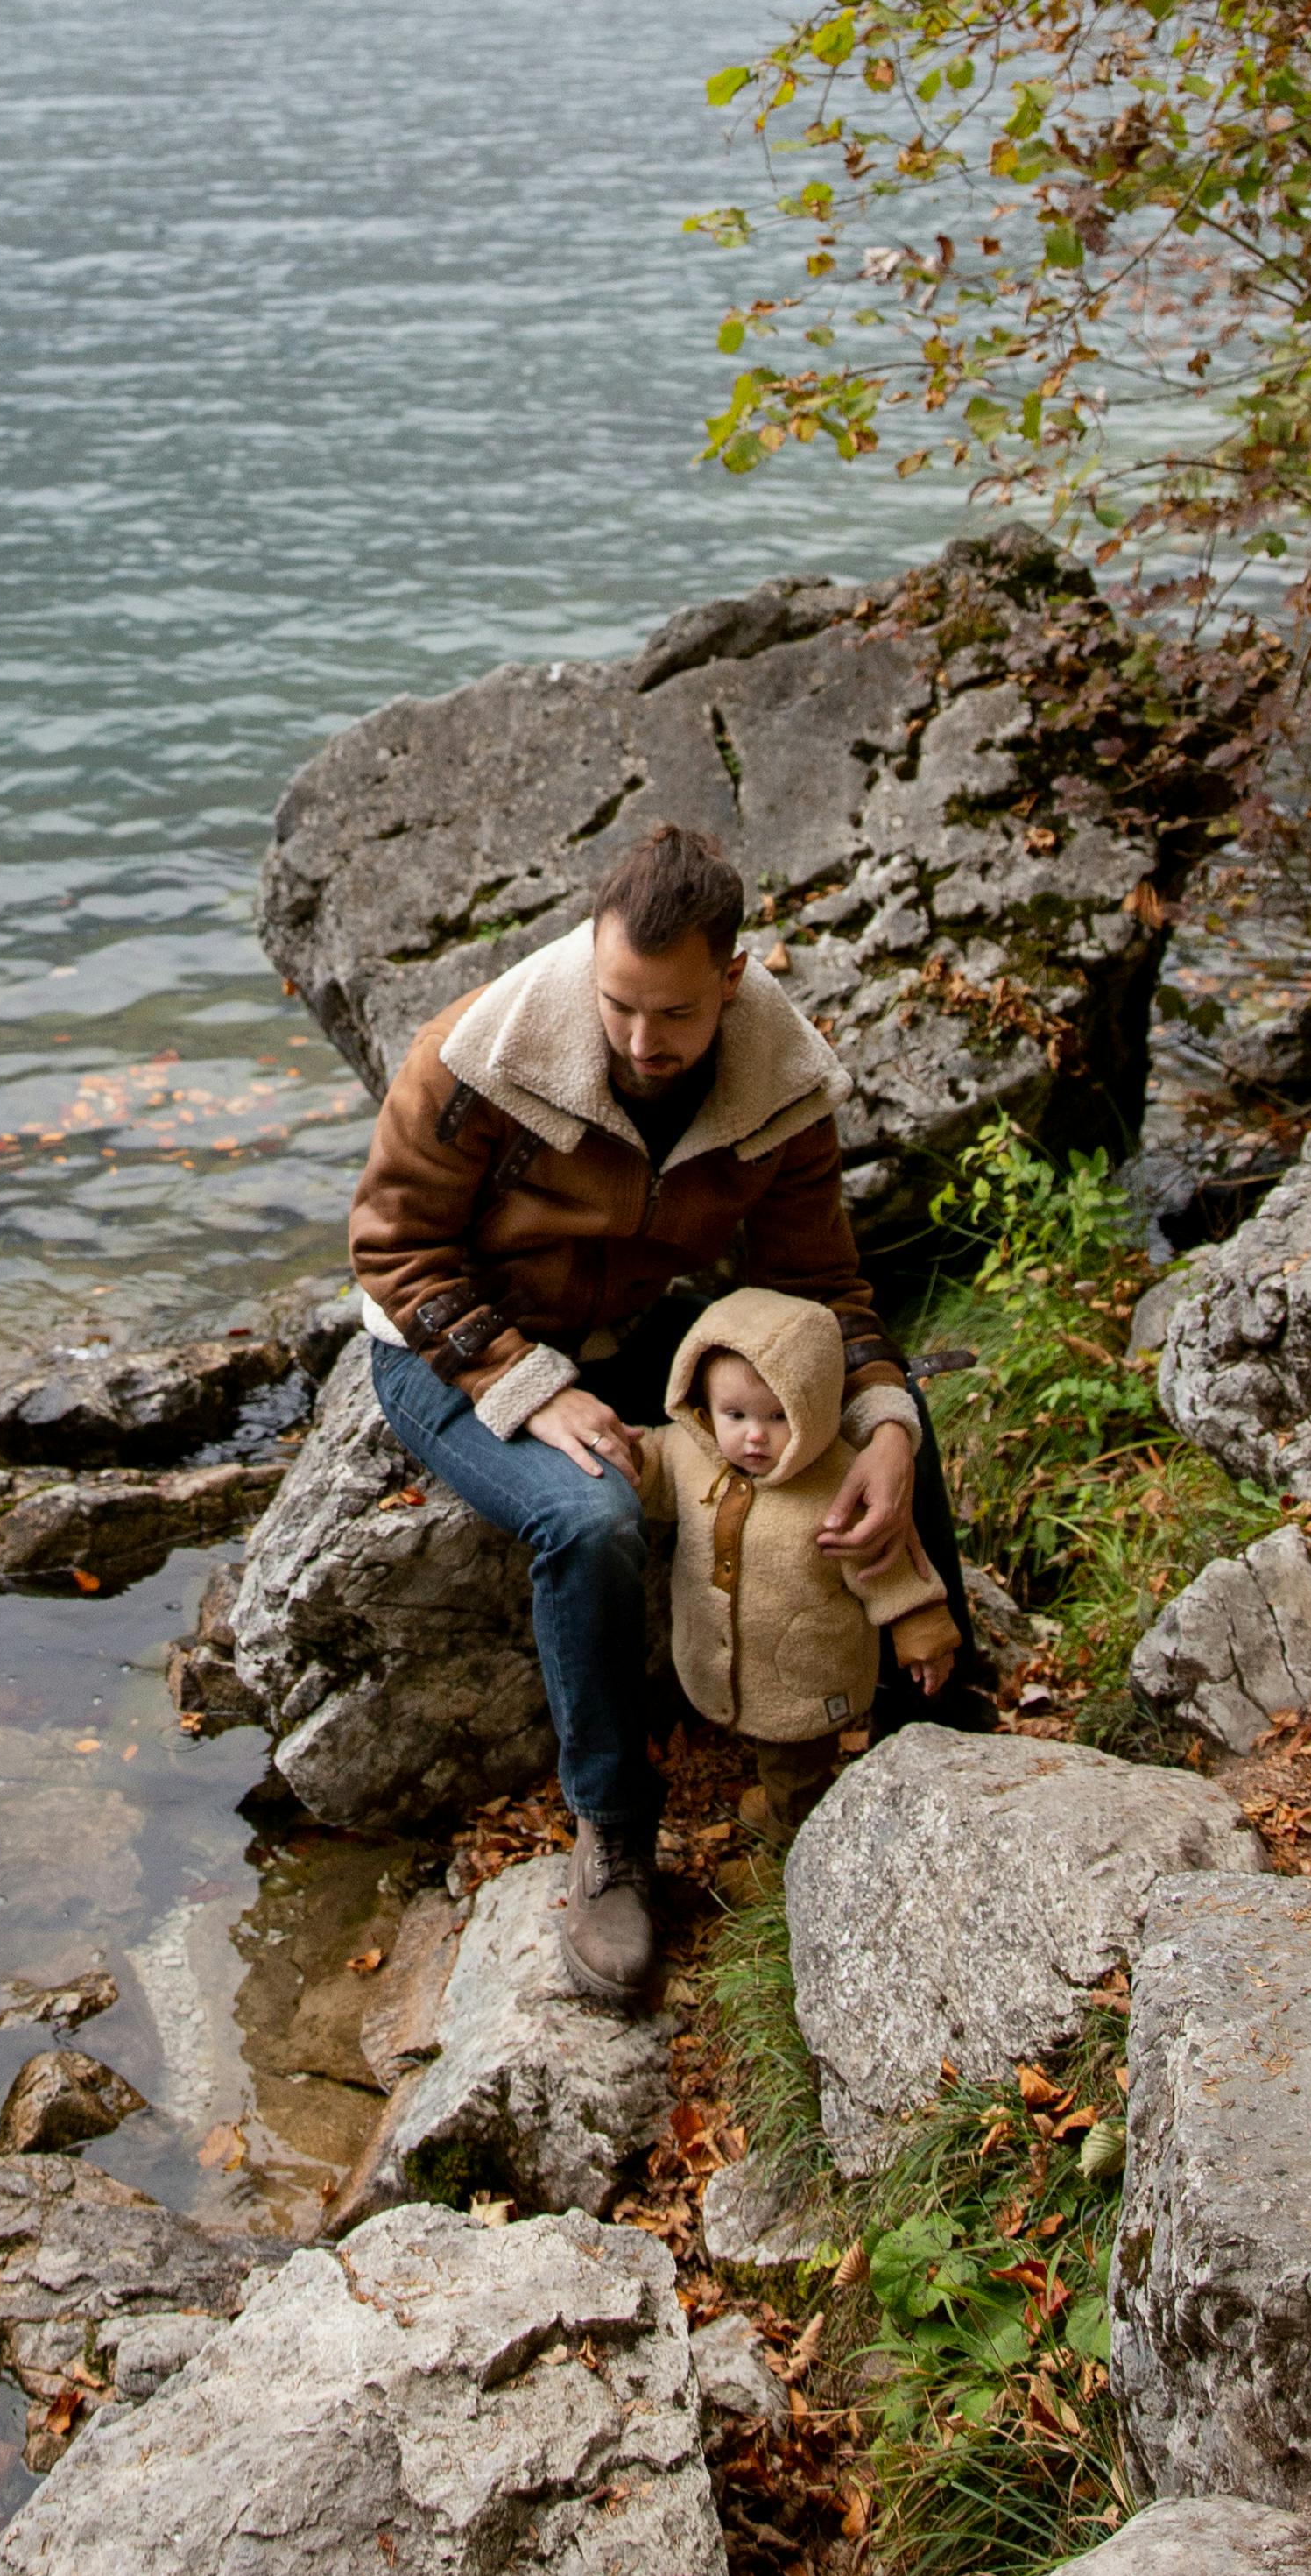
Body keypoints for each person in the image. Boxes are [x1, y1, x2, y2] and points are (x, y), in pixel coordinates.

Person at [349, 817, 977, 2006]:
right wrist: (525, 1390)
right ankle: (613, 1840)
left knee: (888, 1422)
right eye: (618, 1005)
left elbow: (818, 1297)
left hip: (634, 1337)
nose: (640, 1039)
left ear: (730, 981)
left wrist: (884, 1428)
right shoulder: (476, 1053)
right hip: (450, 1348)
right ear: (590, 953)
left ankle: (929, 1727)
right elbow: (393, 1250)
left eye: (673, 1015)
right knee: (587, 1522)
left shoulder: (778, 1079)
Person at [636, 1286, 959, 1901]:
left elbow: (885, 1562)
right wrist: (624, 1457)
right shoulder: (690, 1453)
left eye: (778, 1416)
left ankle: (792, 1862)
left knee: (798, 1772)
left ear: (814, 1407)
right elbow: (652, 1470)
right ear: (703, 1405)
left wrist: (921, 1630)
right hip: (740, 1668)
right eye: (735, 1416)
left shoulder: (837, 1481)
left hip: (807, 1674)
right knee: (770, 1749)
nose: (754, 1438)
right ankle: (781, 1802)